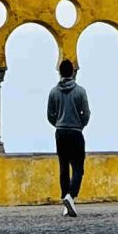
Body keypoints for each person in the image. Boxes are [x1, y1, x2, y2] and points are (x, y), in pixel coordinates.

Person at [46, 56, 89, 216]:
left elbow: (50, 114)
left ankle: (66, 202)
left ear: (60, 72)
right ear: (73, 72)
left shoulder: (53, 92)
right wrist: (80, 124)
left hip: (61, 133)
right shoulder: (80, 91)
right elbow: (86, 113)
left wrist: (59, 123)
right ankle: (70, 197)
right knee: (78, 168)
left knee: (64, 167)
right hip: (76, 132)